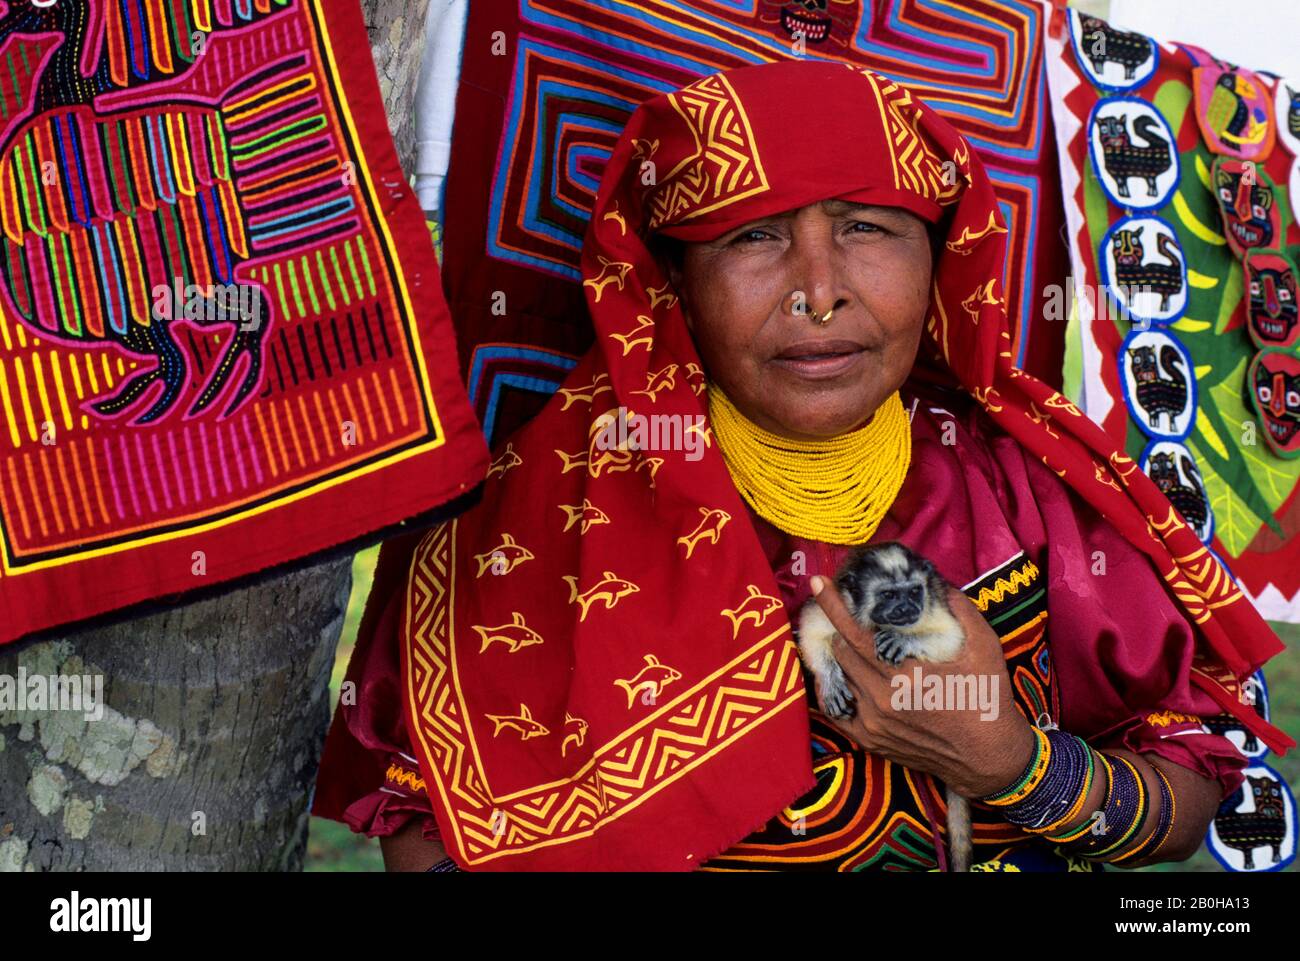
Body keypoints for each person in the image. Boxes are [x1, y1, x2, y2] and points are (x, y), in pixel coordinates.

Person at [311, 60, 1291, 872]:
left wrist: (1013, 766)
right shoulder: (535, 519)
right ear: (675, 286)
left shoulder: (1022, 488)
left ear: (938, 259)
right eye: (753, 236)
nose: (818, 293)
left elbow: (1187, 780)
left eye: (868, 229)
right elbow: (434, 836)